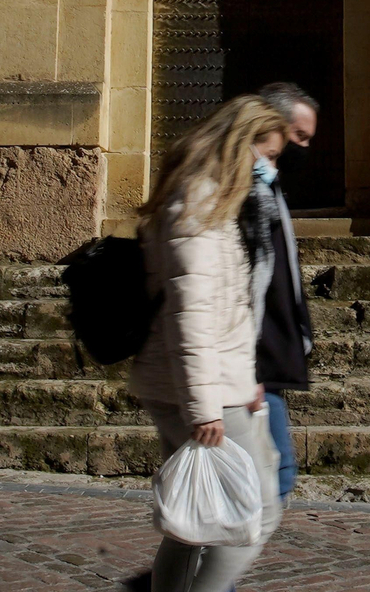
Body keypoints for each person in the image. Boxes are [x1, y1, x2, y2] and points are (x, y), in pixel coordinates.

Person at [127, 95, 289, 592]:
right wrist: (205, 408)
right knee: (255, 516)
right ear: (241, 146)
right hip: (204, 391)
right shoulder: (197, 203)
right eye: (268, 155)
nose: (272, 167)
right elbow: (190, 316)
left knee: (193, 521)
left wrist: (248, 378)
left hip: (206, 383)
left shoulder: (204, 196)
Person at [248, 82, 318, 503]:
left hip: (269, 358)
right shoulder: (245, 194)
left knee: (276, 478)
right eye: (300, 138)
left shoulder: (268, 189)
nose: (304, 149)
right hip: (255, 363)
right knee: (278, 476)